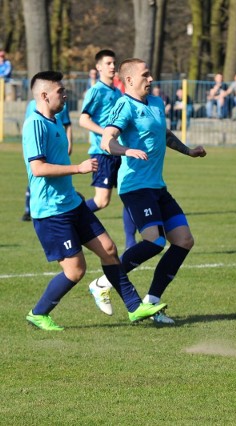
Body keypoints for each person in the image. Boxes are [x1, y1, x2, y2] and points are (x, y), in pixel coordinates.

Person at [22, 71, 167, 330]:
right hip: (50, 212)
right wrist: (78, 168)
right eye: (60, 91)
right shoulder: (35, 123)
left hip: (71, 203)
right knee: (75, 271)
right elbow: (38, 169)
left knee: (109, 250)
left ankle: (135, 308)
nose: (66, 95)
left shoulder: (53, 121)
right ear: (44, 95)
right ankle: (38, 312)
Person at [91, 58, 207, 325]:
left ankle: (152, 303)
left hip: (157, 186)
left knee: (184, 241)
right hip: (135, 186)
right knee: (155, 241)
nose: (151, 79)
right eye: (145, 75)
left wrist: (188, 151)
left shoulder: (155, 103)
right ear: (129, 80)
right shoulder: (124, 104)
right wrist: (126, 150)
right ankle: (101, 282)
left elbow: (162, 133)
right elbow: (106, 140)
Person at [79, 50, 138, 286]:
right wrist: (104, 132)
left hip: (118, 151)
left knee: (128, 194)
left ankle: (131, 243)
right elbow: (83, 119)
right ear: (99, 67)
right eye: (109, 63)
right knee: (102, 201)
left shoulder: (116, 91)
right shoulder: (96, 90)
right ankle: (72, 217)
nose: (113, 67)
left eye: (114, 63)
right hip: (102, 152)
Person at [22, 99, 73, 222]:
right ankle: (28, 210)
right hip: (40, 149)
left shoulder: (62, 105)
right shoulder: (32, 108)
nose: (64, 95)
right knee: (38, 178)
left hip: (58, 147)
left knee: (58, 175)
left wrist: (69, 142)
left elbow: (67, 124)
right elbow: (28, 125)